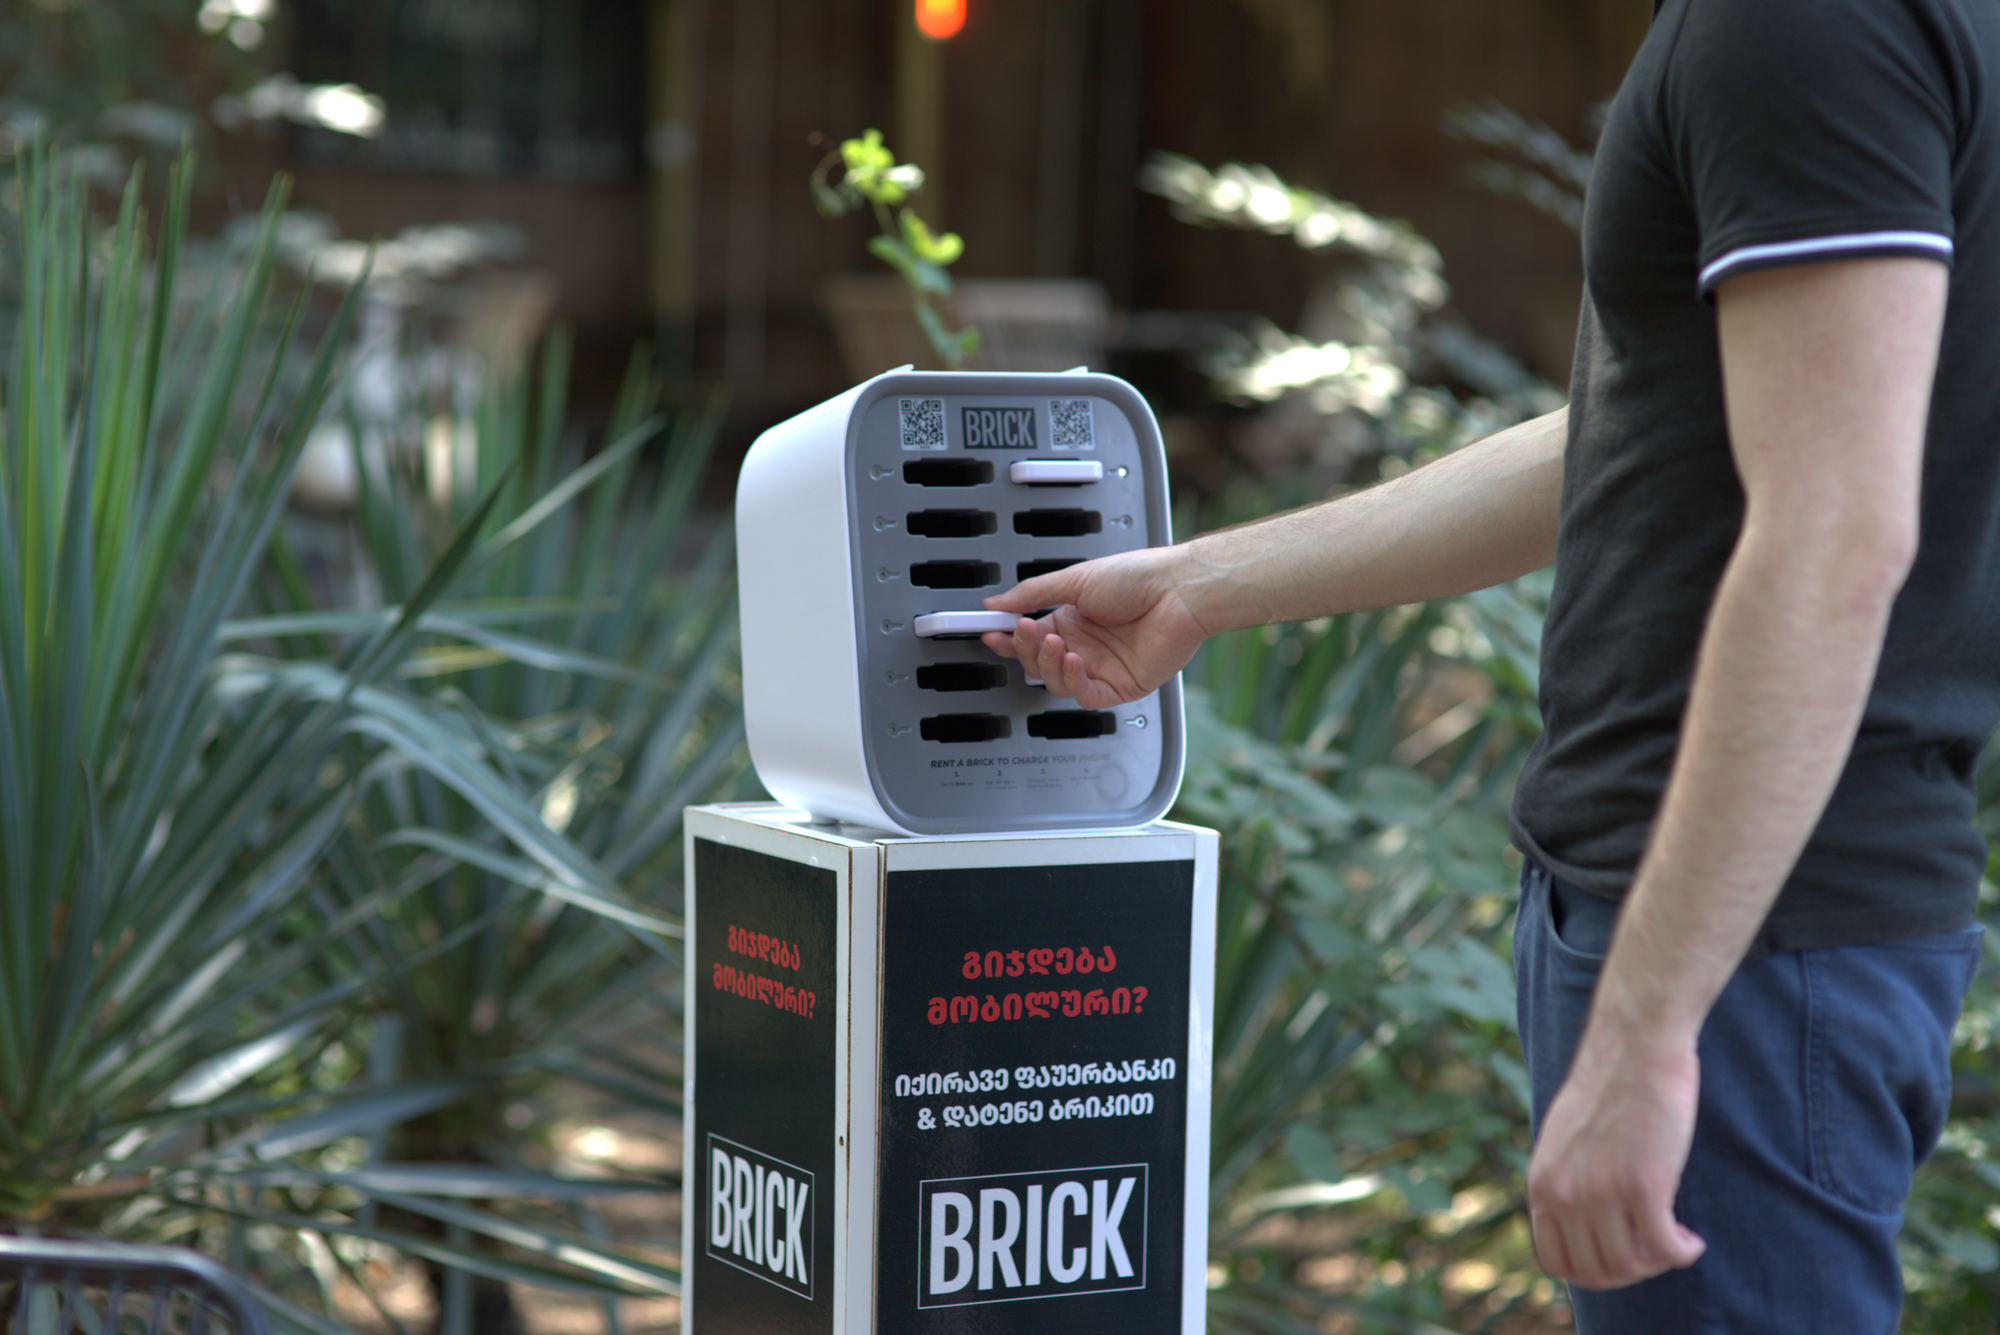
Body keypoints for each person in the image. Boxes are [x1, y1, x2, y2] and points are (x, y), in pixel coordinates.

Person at [978, 0, 2000, 1327]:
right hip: (1774, 925)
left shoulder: (1797, 19)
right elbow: (1641, 421)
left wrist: (1648, 1028)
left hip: (1734, 936)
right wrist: (1197, 584)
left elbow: (1832, 538)